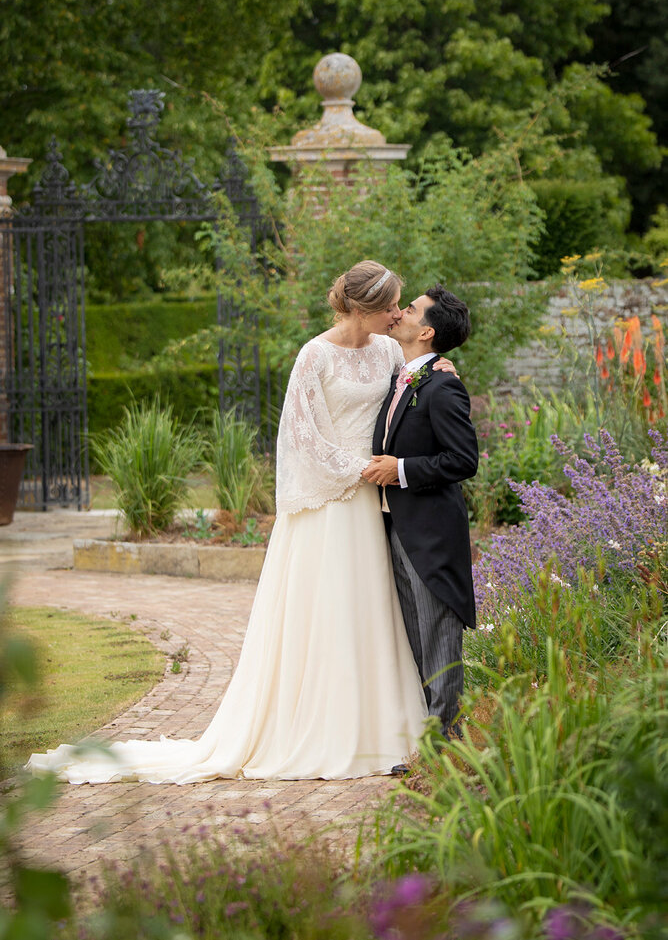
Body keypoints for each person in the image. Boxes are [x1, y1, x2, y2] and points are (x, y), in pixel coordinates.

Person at [28, 261, 455, 784]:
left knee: (372, 608)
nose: (397, 314)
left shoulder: (390, 351)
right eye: (391, 306)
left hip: (375, 506)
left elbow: (404, 405)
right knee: (327, 612)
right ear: (364, 308)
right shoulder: (314, 355)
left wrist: (438, 370)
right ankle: (322, 728)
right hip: (332, 503)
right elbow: (301, 440)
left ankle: (385, 727)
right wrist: (361, 470)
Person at [363, 286, 478, 747]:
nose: (400, 312)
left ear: (425, 331)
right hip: (396, 526)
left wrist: (401, 469)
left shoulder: (443, 384)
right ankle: (423, 738)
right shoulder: (401, 376)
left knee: (438, 637)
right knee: (414, 635)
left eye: (409, 309)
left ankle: (445, 746)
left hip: (431, 535)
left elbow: (463, 459)